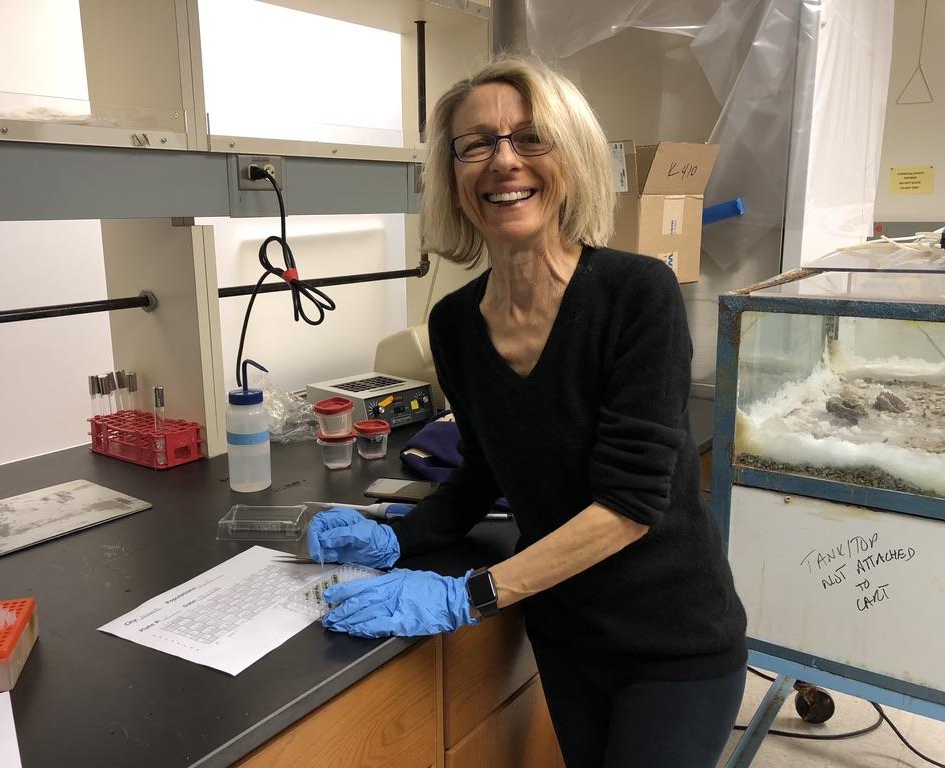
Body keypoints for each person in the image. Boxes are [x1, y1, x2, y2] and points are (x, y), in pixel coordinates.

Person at [307, 56, 747, 768]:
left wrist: (469, 595)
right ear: (453, 175)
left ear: (567, 158)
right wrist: (398, 539)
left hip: (674, 640)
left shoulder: (637, 294)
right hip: (564, 631)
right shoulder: (453, 324)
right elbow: (483, 468)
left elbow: (631, 504)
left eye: (529, 138)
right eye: (475, 143)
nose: (502, 161)